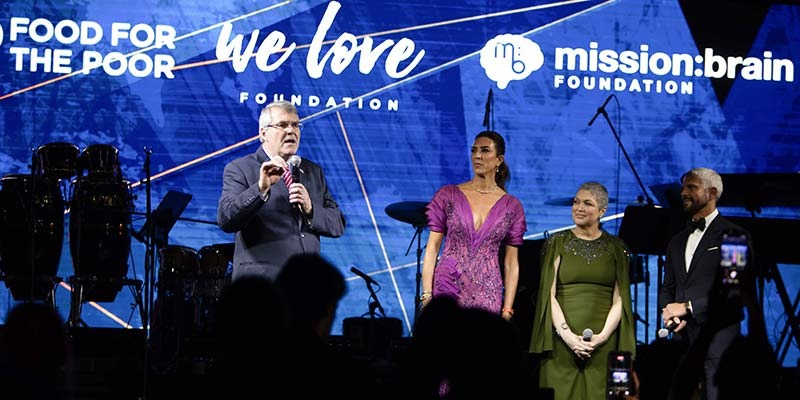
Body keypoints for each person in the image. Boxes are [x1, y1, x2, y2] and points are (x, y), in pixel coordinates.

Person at [217, 100, 346, 281]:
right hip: (262, 285)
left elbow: (337, 224)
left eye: (295, 125)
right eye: (282, 125)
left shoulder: (313, 171)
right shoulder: (240, 168)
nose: (291, 131)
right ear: (263, 133)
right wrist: (261, 189)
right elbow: (226, 220)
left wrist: (311, 210)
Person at [530, 181, 636, 400]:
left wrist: (603, 337)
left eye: (587, 203)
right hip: (561, 343)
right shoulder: (556, 243)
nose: (579, 208)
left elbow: (620, 299)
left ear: (602, 211)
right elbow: (548, 295)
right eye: (576, 202)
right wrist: (568, 336)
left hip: (604, 343)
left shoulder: (617, 247)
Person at [658, 167, 748, 400]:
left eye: (691, 187)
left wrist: (688, 307)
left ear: (712, 193)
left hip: (718, 343)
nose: (683, 193)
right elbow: (668, 286)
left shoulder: (734, 236)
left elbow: (734, 290)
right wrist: (669, 312)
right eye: (683, 187)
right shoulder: (677, 241)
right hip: (682, 343)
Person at [420, 130, 526, 319]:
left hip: (487, 288)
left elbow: (511, 262)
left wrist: (507, 309)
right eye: (474, 150)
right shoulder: (449, 195)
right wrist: (427, 294)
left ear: (499, 160)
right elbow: (432, 247)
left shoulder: (512, 206)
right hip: (448, 283)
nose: (477, 155)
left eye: (485, 151)